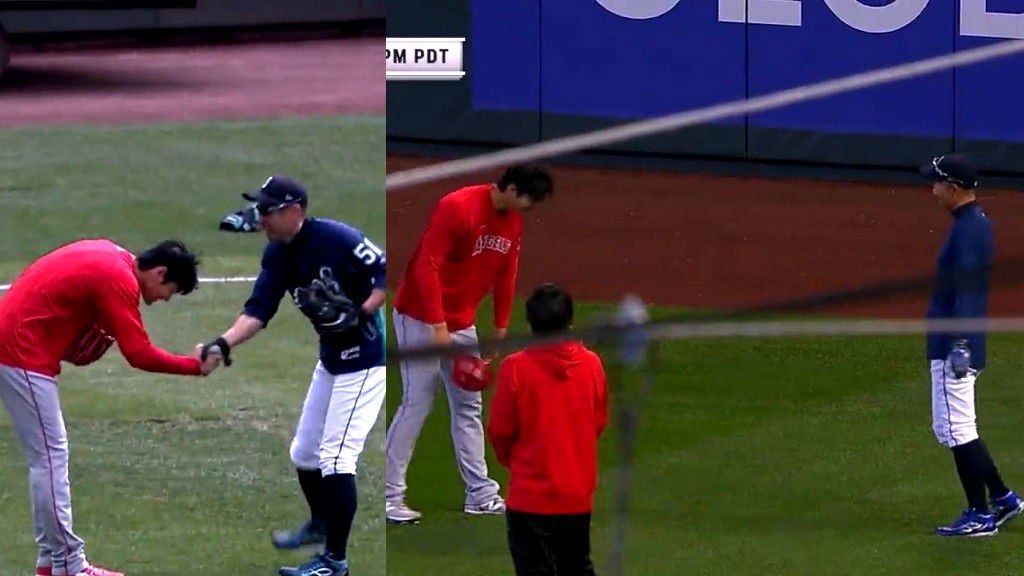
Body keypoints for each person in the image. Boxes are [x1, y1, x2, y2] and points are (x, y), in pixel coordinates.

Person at [200, 176, 386, 576]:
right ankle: (321, 524)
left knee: (337, 458)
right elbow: (258, 312)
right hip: (333, 357)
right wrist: (222, 344)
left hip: (367, 360)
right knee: (304, 453)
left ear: (294, 212)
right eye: (261, 210)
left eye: (268, 211)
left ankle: (335, 562)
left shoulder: (338, 237)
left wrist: (366, 311)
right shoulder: (277, 254)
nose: (261, 218)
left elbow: (386, 271)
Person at [0, 238, 220, 576]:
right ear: (159, 273)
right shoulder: (118, 279)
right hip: (20, 351)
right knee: (49, 456)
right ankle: (70, 565)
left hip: (16, 339)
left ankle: (52, 562)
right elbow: (139, 354)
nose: (163, 300)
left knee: (47, 456)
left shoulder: (110, 255)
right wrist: (194, 366)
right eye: (170, 291)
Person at [385, 164, 554, 524]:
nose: (531, 206)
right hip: (419, 314)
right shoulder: (457, 206)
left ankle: (480, 494)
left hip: (462, 321)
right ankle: (388, 496)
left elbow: (507, 272)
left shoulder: (512, 221)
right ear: (510, 188)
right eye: (529, 198)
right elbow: (426, 267)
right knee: (417, 402)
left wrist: (501, 325)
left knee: (468, 405)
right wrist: (437, 325)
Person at [919, 153, 1024, 537]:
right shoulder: (975, 223)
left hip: (954, 348)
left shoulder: (967, 230)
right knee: (961, 426)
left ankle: (980, 514)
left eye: (936, 182)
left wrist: (958, 343)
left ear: (953, 187)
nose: (931, 189)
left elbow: (965, 290)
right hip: (962, 342)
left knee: (954, 429)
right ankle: (1003, 498)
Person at [487, 283, 607, 576]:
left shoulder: (516, 368)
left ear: (530, 323)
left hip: (530, 496)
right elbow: (598, 421)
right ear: (570, 321)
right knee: (577, 567)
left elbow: (500, 430)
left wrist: (516, 462)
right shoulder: (591, 364)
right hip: (576, 492)